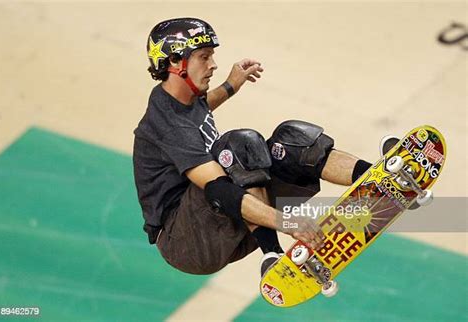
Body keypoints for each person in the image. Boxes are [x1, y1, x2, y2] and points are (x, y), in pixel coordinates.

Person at [133, 17, 399, 276]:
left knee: (291, 140)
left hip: (222, 225)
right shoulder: (168, 124)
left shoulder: (183, 99)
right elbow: (219, 190)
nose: (213, 65)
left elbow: (198, 113)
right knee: (239, 145)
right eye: (204, 57)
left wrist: (231, 85)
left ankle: (380, 178)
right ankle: (272, 256)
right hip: (188, 242)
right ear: (175, 62)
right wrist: (288, 223)